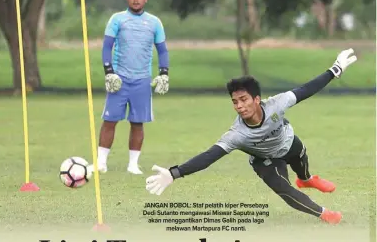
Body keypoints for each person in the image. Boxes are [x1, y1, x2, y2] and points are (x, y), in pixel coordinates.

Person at [145, 49, 358, 224]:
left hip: (288, 141)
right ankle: (324, 214)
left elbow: (306, 89)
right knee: (284, 189)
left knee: (301, 159)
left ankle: (307, 179)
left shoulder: (278, 103)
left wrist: (335, 69)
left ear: (257, 99)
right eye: (235, 101)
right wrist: (174, 173)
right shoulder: (237, 134)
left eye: (244, 99)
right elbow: (209, 156)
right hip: (265, 159)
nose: (239, 106)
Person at [93, 0, 170, 175]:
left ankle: (133, 165)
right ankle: (101, 162)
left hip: (142, 80)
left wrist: (164, 73)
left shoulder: (154, 22)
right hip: (119, 79)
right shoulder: (117, 19)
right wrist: (109, 71)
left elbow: (162, 50)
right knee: (110, 121)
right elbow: (106, 47)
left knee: (138, 122)